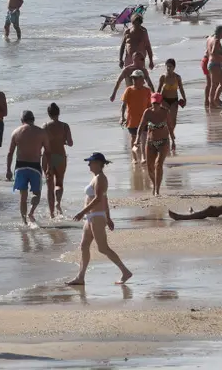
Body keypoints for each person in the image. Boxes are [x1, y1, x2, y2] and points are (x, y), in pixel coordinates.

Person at [68, 153, 132, 285]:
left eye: (90, 162)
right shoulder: (95, 178)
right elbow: (105, 199)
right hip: (91, 217)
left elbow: (98, 199)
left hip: (96, 216)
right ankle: (80, 277)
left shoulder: (101, 178)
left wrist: (82, 212)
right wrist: (108, 217)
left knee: (103, 248)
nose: (88, 164)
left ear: (97, 163)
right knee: (84, 246)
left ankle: (125, 272)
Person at [4, 110, 46, 224]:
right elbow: (48, 152)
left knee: (23, 196)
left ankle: (24, 222)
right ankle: (31, 212)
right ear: (33, 119)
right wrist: (47, 168)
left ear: (22, 120)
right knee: (37, 194)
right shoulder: (41, 132)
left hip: (20, 166)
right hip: (35, 166)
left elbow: (10, 153)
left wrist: (8, 170)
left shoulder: (16, 132)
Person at [41, 102, 73, 219]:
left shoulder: (45, 126)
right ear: (58, 113)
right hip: (60, 156)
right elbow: (70, 143)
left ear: (48, 114)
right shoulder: (65, 126)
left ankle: (51, 214)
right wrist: (62, 141)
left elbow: (41, 143)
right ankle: (58, 203)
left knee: (49, 186)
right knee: (59, 183)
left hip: (47, 157)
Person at [136, 93, 170, 196]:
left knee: (158, 165)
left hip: (163, 142)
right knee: (150, 167)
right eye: (153, 103)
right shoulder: (147, 112)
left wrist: (173, 140)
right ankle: (155, 185)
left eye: (157, 103)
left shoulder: (165, 112)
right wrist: (137, 139)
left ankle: (157, 190)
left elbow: (171, 126)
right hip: (150, 142)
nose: (155, 105)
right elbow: (141, 126)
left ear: (160, 102)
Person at [119, 70, 152, 164]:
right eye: (133, 78)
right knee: (133, 139)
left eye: (136, 78)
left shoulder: (147, 90)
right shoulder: (129, 90)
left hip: (144, 119)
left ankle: (143, 157)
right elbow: (123, 105)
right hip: (132, 120)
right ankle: (134, 157)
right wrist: (122, 117)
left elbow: (149, 106)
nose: (133, 80)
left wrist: (152, 117)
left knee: (144, 138)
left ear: (142, 79)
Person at [156, 58, 186, 145]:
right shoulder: (163, 77)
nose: (168, 68)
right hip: (164, 100)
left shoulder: (177, 77)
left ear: (174, 67)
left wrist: (184, 98)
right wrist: (156, 101)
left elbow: (181, 89)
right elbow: (158, 90)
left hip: (174, 100)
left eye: (170, 66)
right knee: (165, 119)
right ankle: (164, 135)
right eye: (167, 66)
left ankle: (170, 134)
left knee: (173, 120)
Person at [204, 26, 222, 107]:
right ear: (220, 33)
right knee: (214, 85)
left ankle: (215, 99)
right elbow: (214, 51)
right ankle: (212, 103)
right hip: (214, 64)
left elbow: (218, 49)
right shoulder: (216, 40)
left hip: (212, 64)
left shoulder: (210, 38)